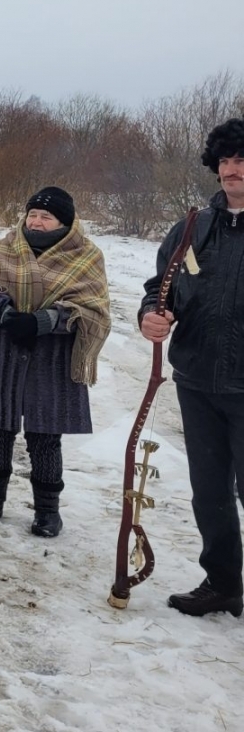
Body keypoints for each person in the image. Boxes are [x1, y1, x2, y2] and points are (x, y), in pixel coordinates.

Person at [0, 187, 111, 538]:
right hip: (2, 351)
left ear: (65, 223)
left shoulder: (86, 256)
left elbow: (93, 309)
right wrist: (5, 313)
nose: (37, 222)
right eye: (33, 215)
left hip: (52, 360)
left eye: (46, 217)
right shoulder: (2, 248)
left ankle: (48, 511)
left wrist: (46, 321)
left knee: (45, 438)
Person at [140, 117, 244, 617]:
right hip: (198, 382)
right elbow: (161, 287)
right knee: (210, 493)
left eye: (242, 160)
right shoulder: (191, 229)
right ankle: (224, 583)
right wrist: (152, 317)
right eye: (224, 161)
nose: (231, 170)